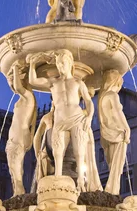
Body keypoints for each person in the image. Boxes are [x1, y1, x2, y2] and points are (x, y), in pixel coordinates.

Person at [28, 49, 93, 192]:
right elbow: (32, 81)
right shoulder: (53, 83)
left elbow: (89, 102)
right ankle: (57, 178)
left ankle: (81, 181)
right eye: (58, 64)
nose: (61, 66)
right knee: (58, 149)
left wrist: (89, 117)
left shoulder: (78, 82)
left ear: (70, 63)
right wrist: (33, 63)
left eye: (63, 63)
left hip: (76, 118)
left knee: (79, 150)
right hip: (60, 119)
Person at [6, 61, 37, 196]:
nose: (13, 84)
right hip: (14, 136)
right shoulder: (22, 98)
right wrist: (10, 77)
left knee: (16, 165)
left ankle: (20, 192)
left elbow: (18, 87)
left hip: (20, 134)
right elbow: (15, 87)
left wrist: (15, 66)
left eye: (15, 80)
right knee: (12, 167)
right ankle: (16, 191)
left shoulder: (29, 97)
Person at [98, 70, 130, 195]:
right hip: (117, 133)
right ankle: (113, 191)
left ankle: (111, 190)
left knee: (112, 163)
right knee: (117, 165)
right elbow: (117, 113)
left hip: (106, 132)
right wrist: (126, 128)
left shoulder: (102, 97)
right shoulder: (112, 95)